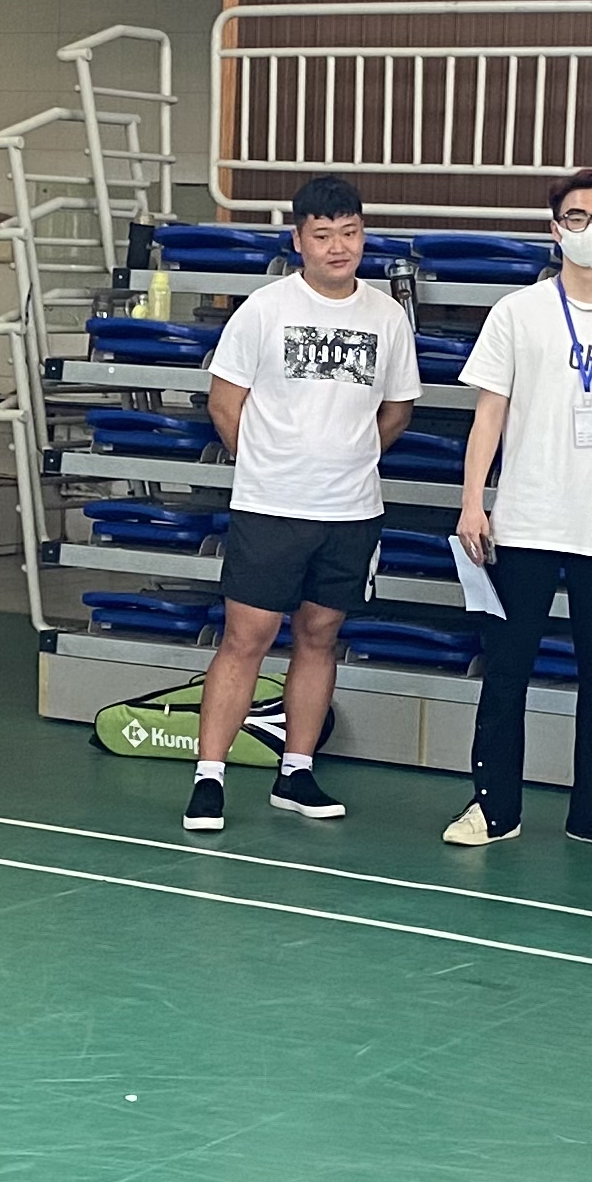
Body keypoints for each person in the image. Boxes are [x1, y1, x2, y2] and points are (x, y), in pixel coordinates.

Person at [447, 169, 592, 853]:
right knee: (507, 669)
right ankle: (493, 807)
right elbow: (488, 415)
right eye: (577, 218)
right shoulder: (516, 312)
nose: (590, 230)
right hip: (526, 519)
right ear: (555, 230)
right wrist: (473, 501)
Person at [183, 173, 421, 832]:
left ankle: (296, 771)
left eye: (350, 233)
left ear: (363, 236)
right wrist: (272, 466)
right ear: (299, 241)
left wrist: (347, 457)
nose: (338, 247)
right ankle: (209, 777)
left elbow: (398, 409)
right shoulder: (264, 310)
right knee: (246, 638)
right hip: (271, 508)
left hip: (350, 512)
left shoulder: (386, 316)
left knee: (320, 637)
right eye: (323, 235)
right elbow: (224, 403)